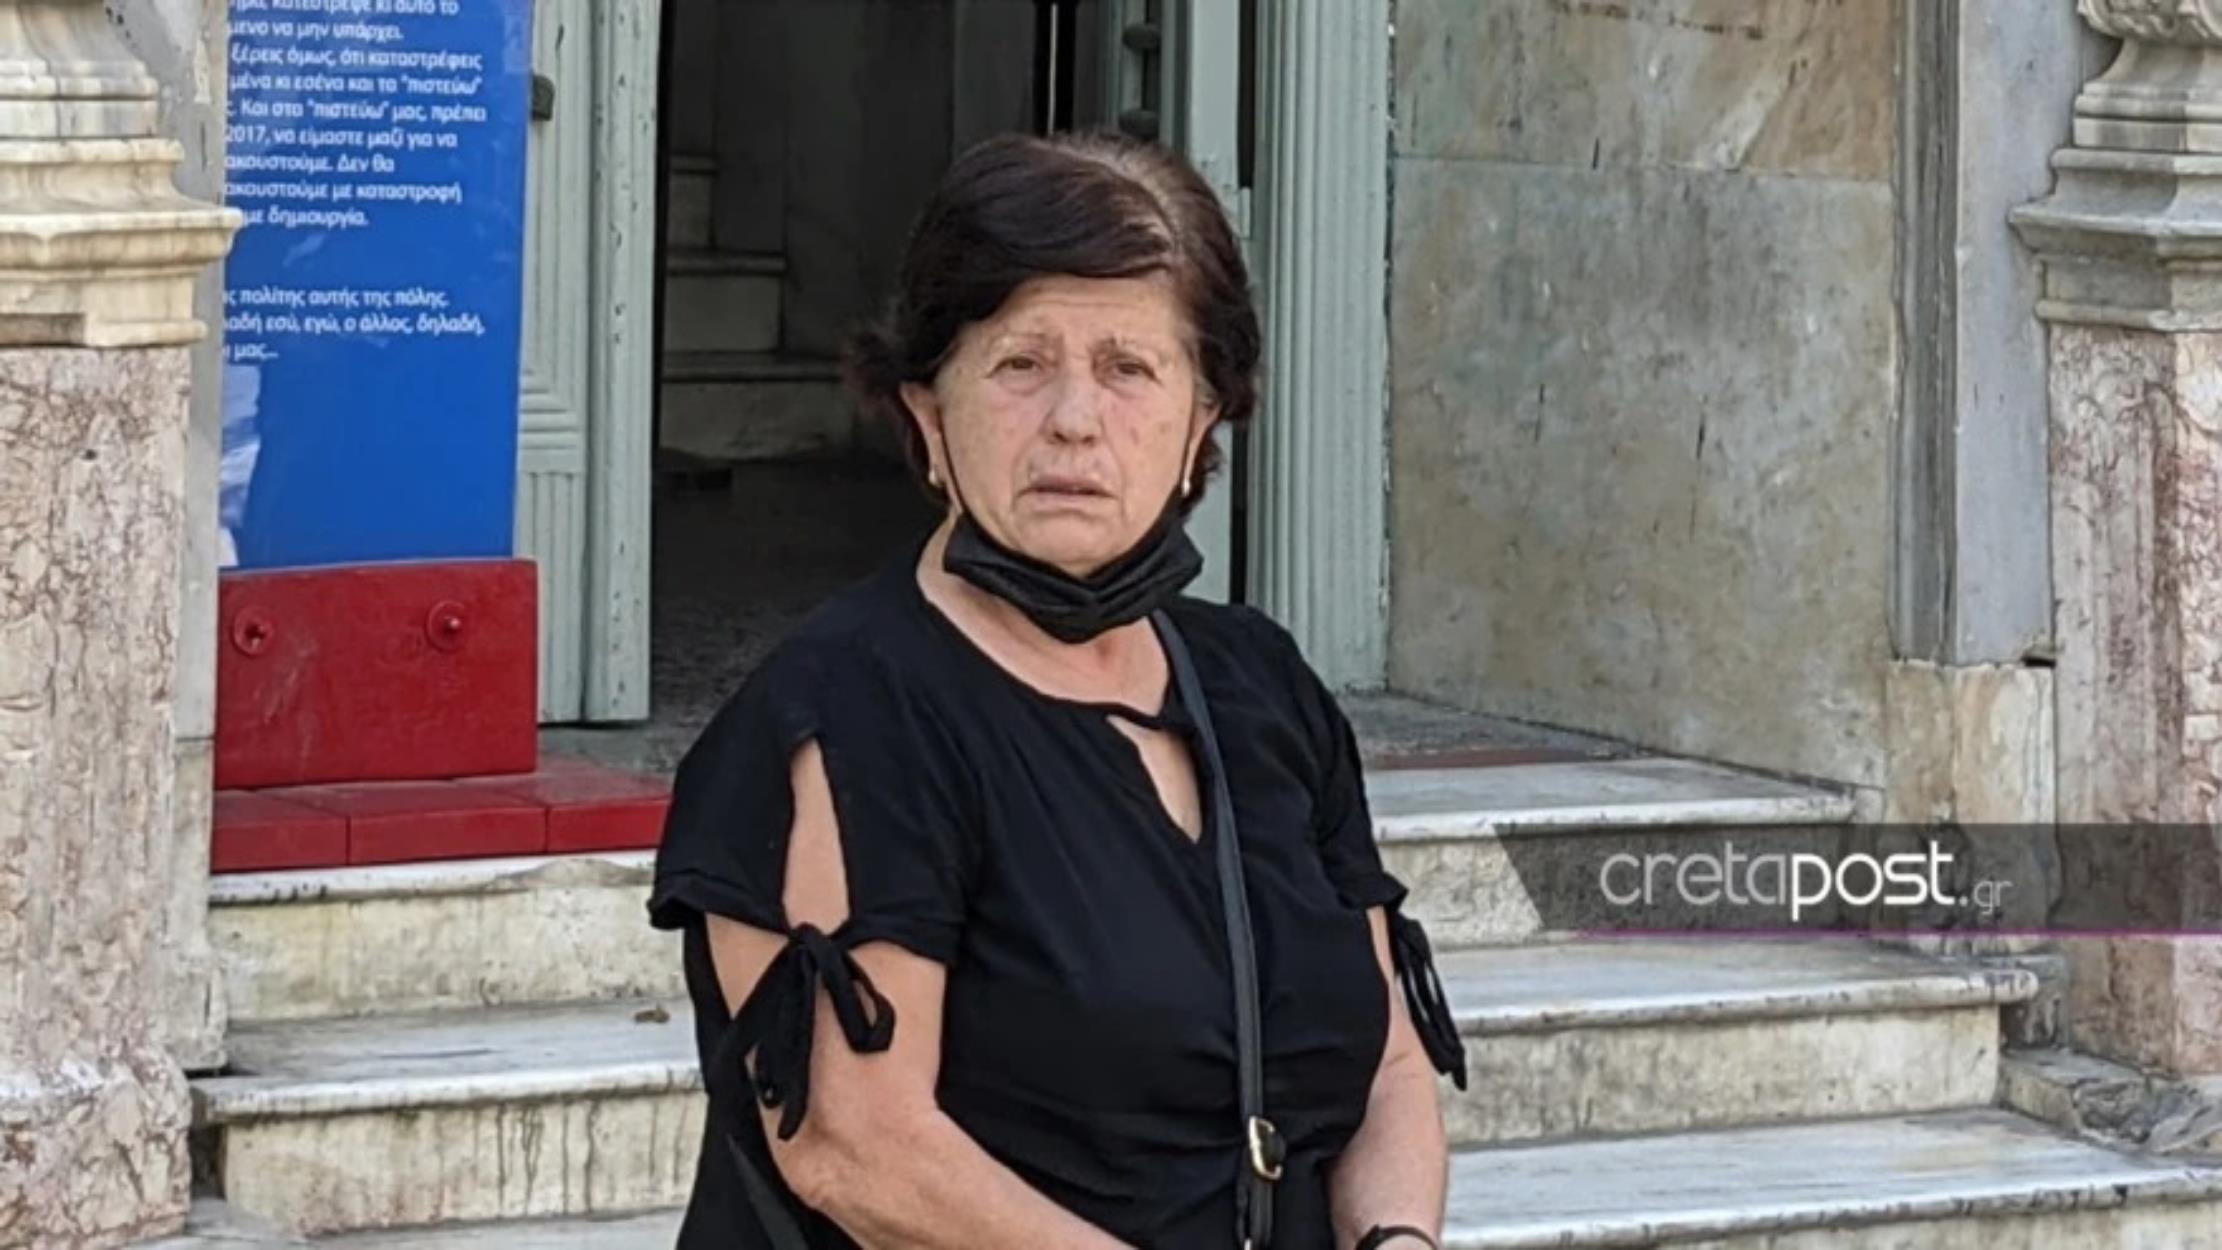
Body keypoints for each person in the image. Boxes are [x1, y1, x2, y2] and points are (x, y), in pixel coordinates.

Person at [650, 129, 1466, 1250]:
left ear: (1201, 419)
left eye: (1129, 368)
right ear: (928, 414)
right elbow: (861, 1151)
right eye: (1019, 364)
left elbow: (1386, 1063)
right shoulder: (847, 712)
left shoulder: (1261, 686)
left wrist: (1397, 1239)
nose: (1075, 418)